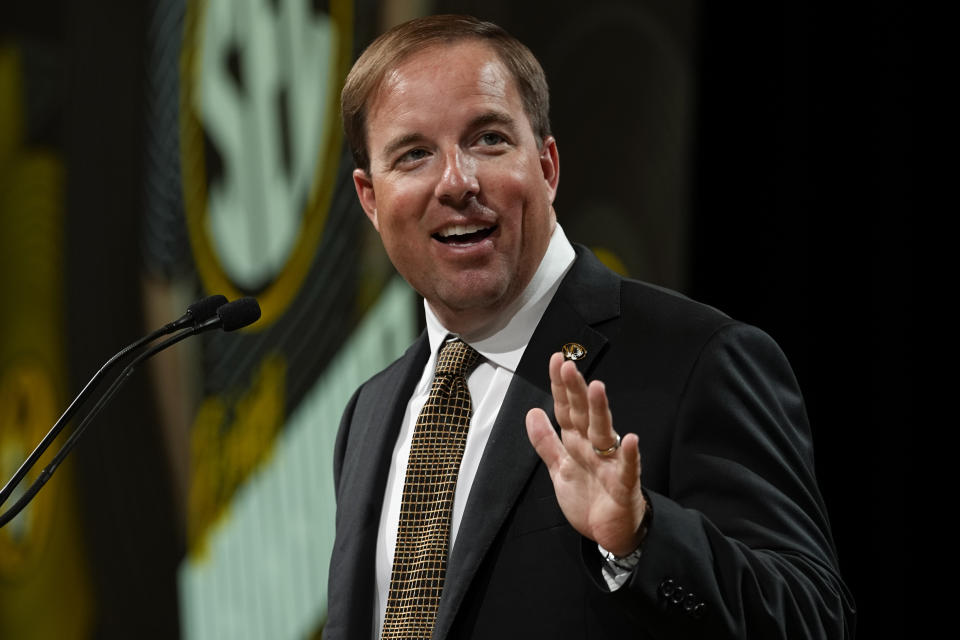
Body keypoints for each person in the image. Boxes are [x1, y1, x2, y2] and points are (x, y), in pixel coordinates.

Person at [327, 14, 854, 640]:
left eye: (489, 139)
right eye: (414, 154)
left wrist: (641, 541)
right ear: (370, 197)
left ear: (547, 166)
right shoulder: (371, 411)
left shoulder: (696, 359)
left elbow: (814, 619)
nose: (457, 182)